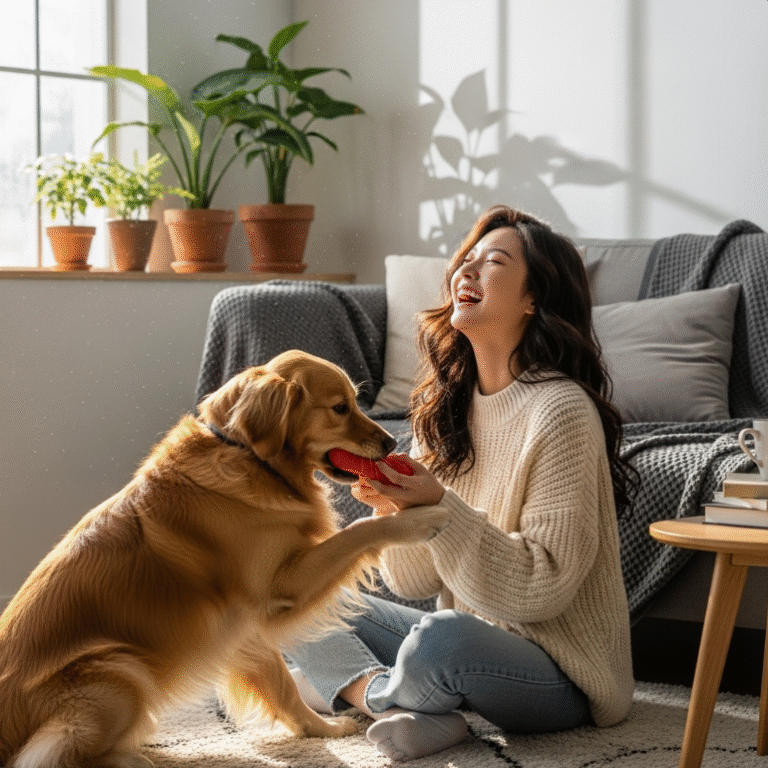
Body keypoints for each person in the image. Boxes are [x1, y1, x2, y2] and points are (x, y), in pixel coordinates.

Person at [285, 205, 636, 762]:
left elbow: (541, 588)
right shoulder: (446, 410)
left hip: (560, 674)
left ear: (534, 298)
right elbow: (411, 580)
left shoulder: (561, 410)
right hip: (466, 643)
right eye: (465, 261)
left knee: (441, 639)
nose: (465, 273)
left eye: (493, 261)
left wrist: (439, 509)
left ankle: (356, 693)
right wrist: (396, 514)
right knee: (299, 598)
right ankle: (405, 709)